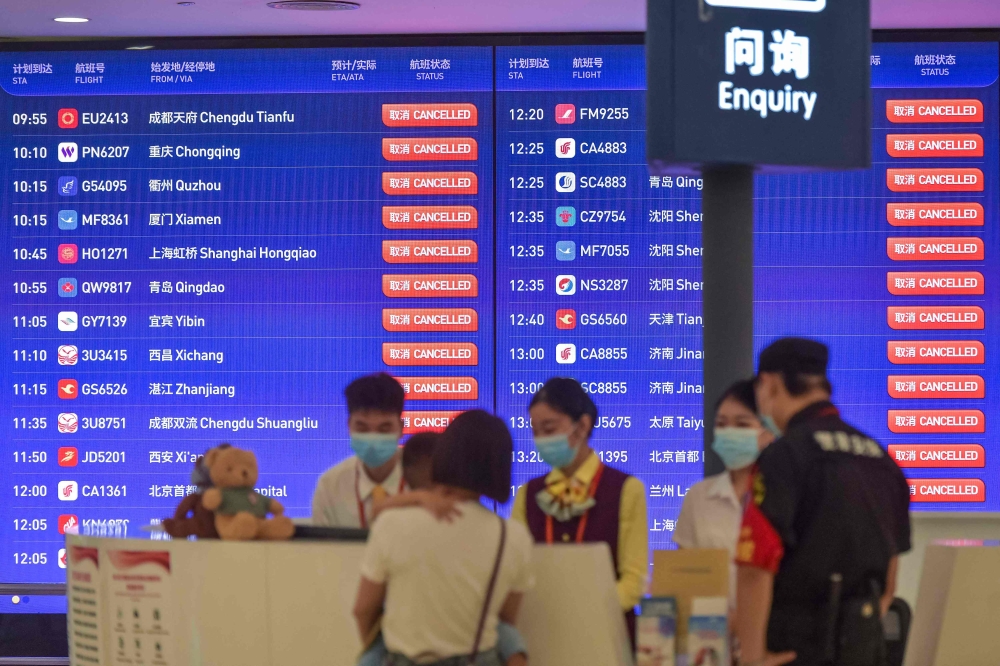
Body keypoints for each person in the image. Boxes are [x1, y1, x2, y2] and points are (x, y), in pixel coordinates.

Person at [734, 338, 911, 666]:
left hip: (795, 649)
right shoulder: (882, 461)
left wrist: (753, 657)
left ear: (770, 384)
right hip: (863, 650)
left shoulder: (784, 456)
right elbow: (889, 581)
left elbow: (755, 567)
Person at [353, 410, 534, 666]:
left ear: (445, 454)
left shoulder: (392, 524)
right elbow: (505, 620)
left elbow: (363, 609)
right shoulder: (514, 537)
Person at [511, 377, 647, 641]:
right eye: (535, 431)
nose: (541, 440)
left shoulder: (626, 489)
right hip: (544, 634)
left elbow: (634, 580)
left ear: (582, 425)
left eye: (549, 429)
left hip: (608, 635)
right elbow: (517, 570)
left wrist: (584, 614)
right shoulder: (529, 494)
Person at [674, 380, 774, 608]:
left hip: (770, 625)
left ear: (767, 432)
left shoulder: (783, 493)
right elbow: (681, 576)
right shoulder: (699, 496)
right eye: (721, 424)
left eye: (742, 425)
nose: (729, 433)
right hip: (708, 625)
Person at [312, 373, 407, 528]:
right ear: (349, 426)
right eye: (362, 428)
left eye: (384, 429)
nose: (373, 439)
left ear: (401, 428)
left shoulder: (426, 482)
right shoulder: (330, 486)